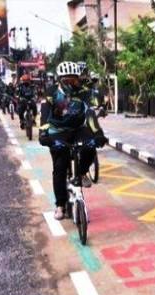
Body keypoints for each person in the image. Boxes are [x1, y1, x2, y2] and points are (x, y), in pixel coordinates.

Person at [38, 61, 107, 220]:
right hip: (58, 131)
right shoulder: (52, 93)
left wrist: (98, 133)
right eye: (68, 80)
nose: (72, 83)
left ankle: (82, 173)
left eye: (75, 80)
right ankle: (60, 205)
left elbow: (89, 114)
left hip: (78, 129)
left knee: (90, 147)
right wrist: (44, 134)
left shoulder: (84, 92)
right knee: (60, 167)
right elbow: (45, 115)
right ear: (60, 80)